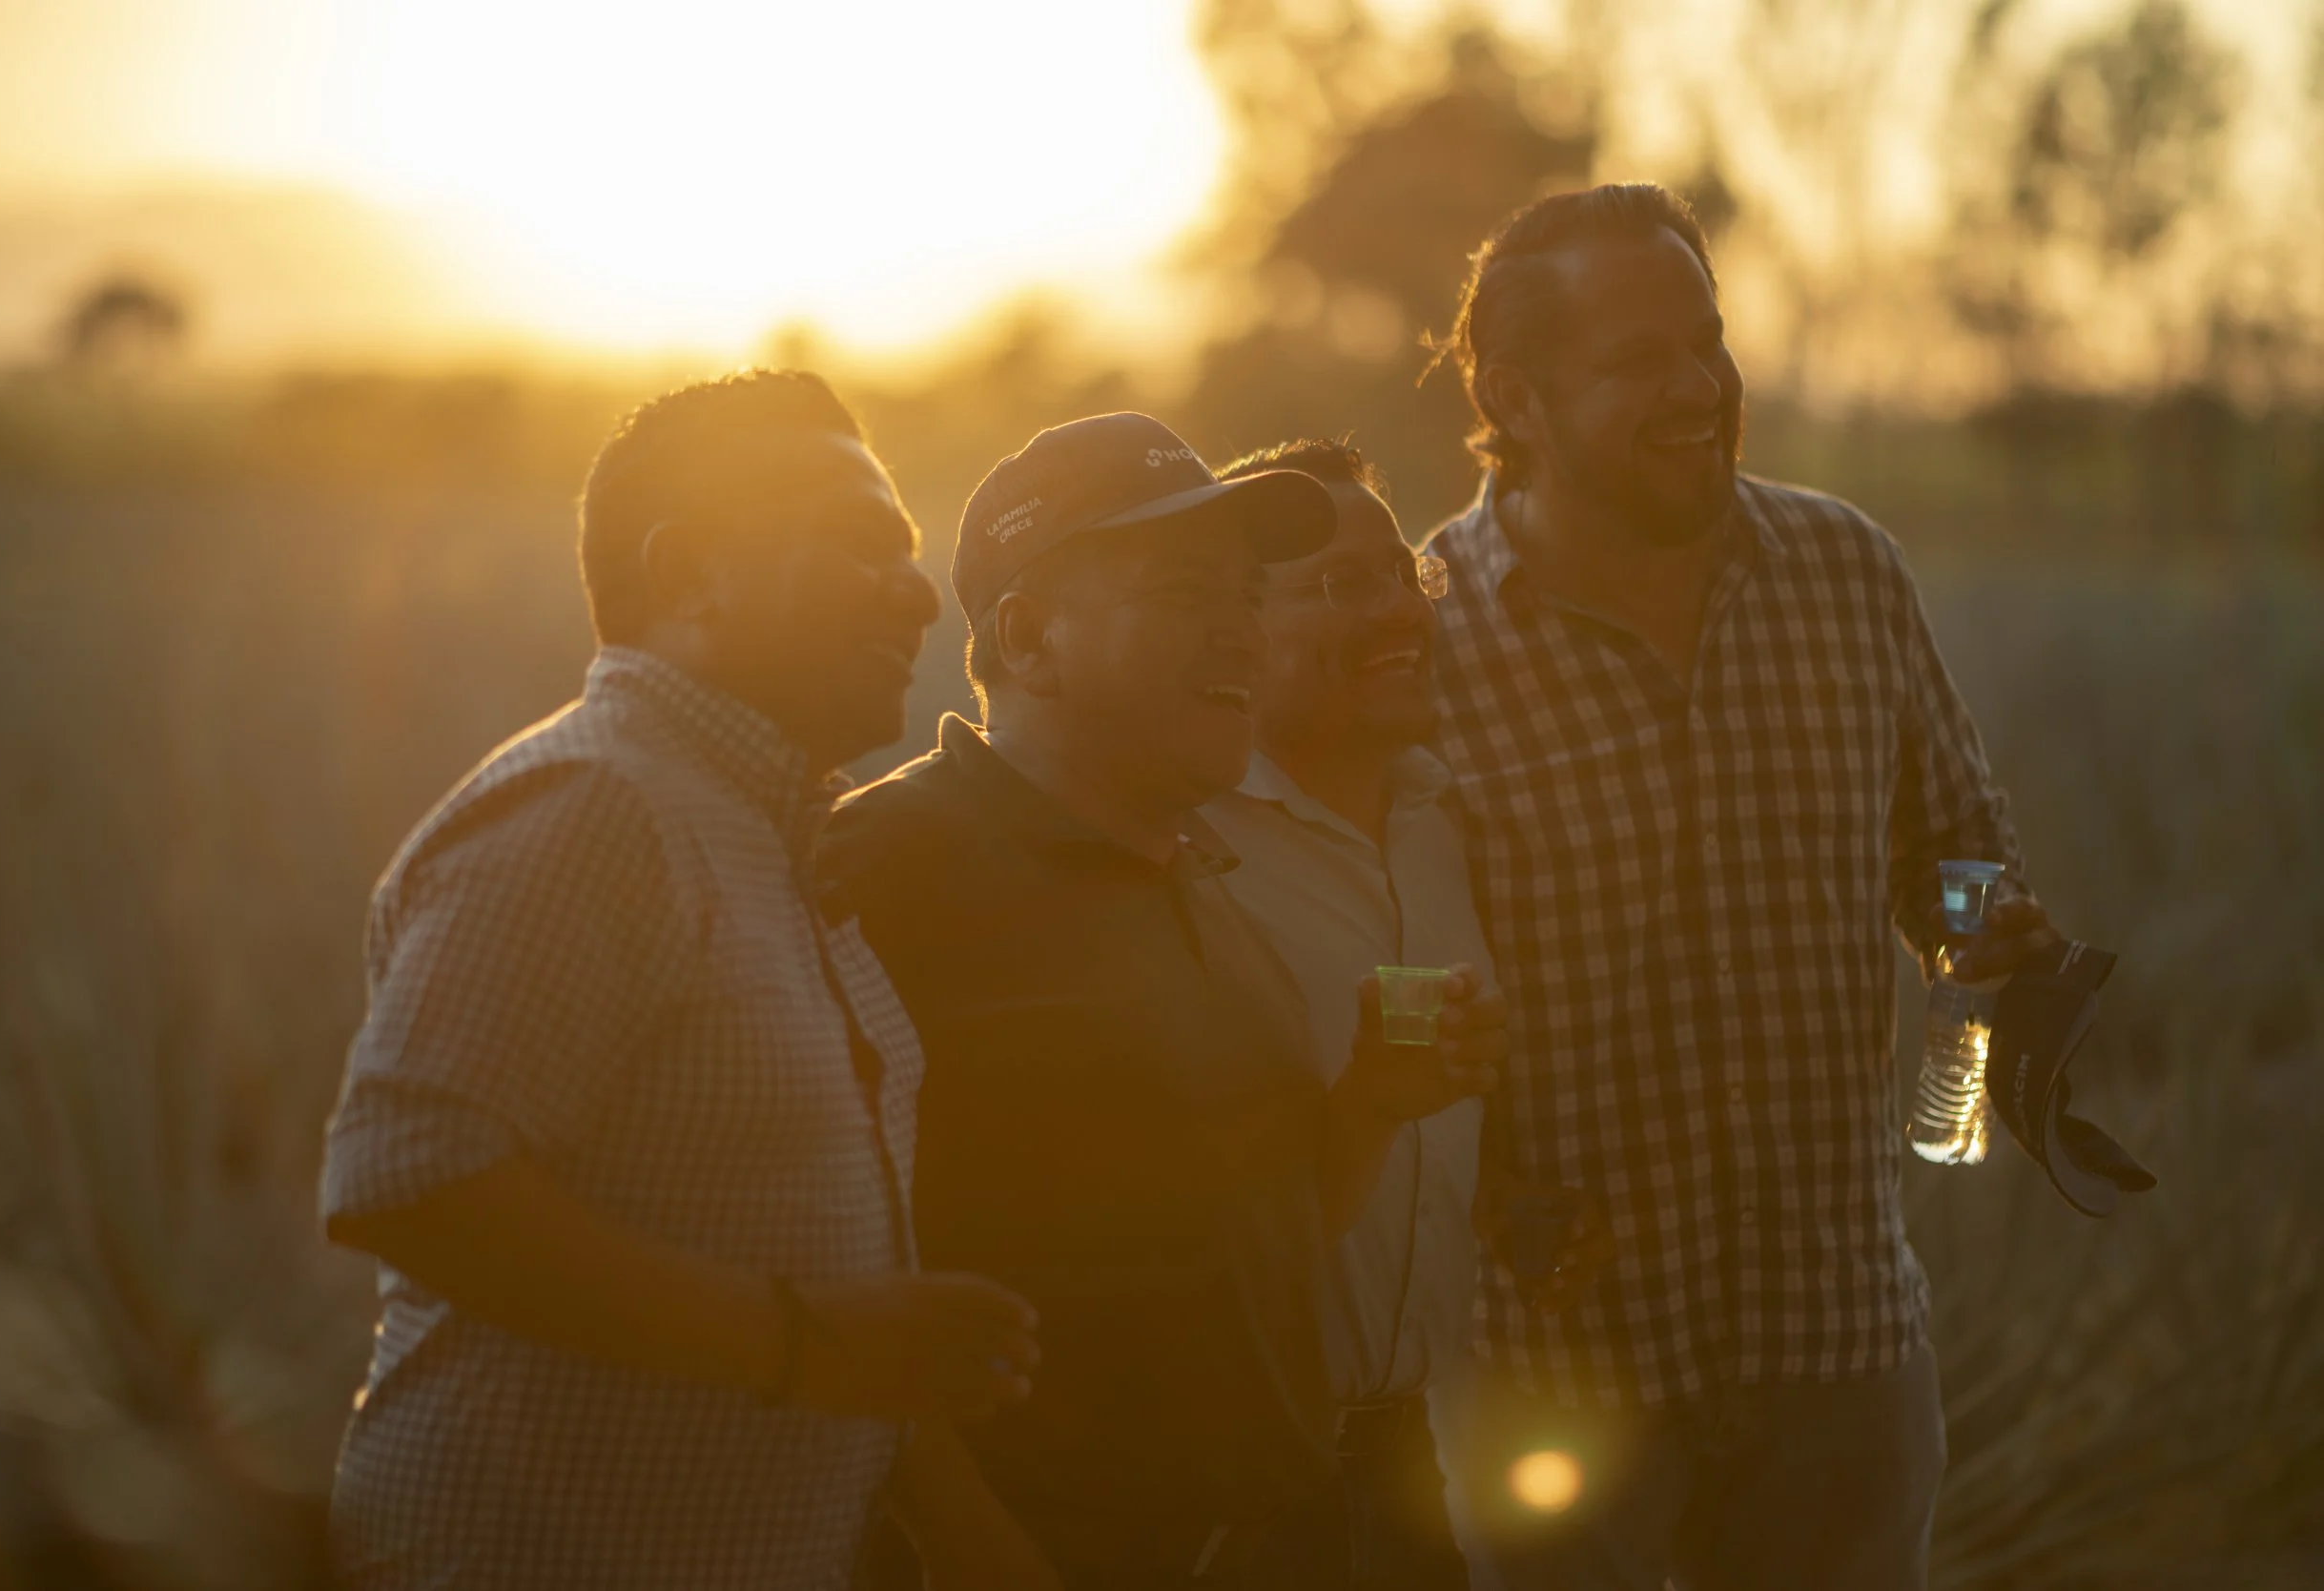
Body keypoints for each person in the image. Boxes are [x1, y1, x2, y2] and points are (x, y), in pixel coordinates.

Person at [1422, 185, 2064, 1591]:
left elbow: (1956, 855)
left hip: (1835, 1341)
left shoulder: (1843, 570)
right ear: (1513, 398)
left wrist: (1978, 951)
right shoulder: (1417, 645)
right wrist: (1475, 1193)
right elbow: (1362, 985)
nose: (1697, 387)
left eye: (1705, 340)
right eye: (1636, 359)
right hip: (1551, 1366)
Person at [318, 370, 1049, 1591]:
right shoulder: (597, 807)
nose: (919, 592)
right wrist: (799, 1348)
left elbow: (821, 1275)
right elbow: (408, 1180)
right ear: (693, 573)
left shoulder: (767, 835)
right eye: (861, 543)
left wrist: (961, 1525)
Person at [821, 412, 1506, 1590]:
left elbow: (1273, 1232)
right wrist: (962, 1538)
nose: (1239, 628)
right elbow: (806, 1265)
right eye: (1189, 593)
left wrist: (1371, 1107)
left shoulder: (1188, 866)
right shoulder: (885, 867)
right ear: (1030, 639)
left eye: (1247, 595)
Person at [1198, 437, 1500, 1591]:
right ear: (1233, 635)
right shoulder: (1184, 845)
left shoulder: (1451, 819)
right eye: (1341, 586)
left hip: (1415, 1458)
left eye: (1403, 577)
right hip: (1234, 1480)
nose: (1399, 614)